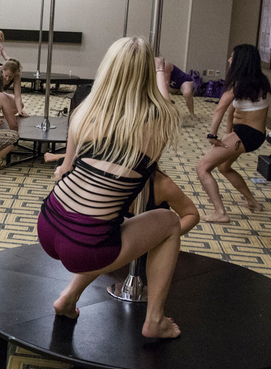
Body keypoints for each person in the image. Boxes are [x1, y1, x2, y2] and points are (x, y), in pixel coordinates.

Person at [37, 37, 191, 339]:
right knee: (170, 222)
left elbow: (64, 169)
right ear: (146, 74)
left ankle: (68, 298)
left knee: (109, 227)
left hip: (49, 225)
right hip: (85, 245)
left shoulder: (83, 111)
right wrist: (162, 73)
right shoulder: (157, 121)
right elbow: (163, 107)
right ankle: (155, 321)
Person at [196, 44, 271, 223]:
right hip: (252, 134)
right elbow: (231, 110)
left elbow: (219, 109)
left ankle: (220, 213)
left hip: (246, 135)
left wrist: (212, 136)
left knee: (202, 167)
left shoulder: (239, 85)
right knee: (223, 167)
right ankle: (253, 202)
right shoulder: (258, 82)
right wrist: (228, 133)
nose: (229, 60)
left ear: (241, 61)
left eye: (232, 57)